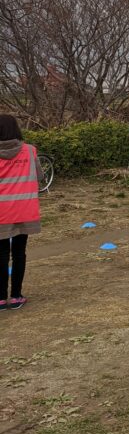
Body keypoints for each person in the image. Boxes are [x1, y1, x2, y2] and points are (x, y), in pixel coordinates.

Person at [0, 114, 43, 311]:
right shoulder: (30, 151)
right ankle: (16, 295)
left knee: (1, 254)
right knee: (19, 253)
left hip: (2, 212)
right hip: (24, 210)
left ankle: (0, 299)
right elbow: (40, 176)